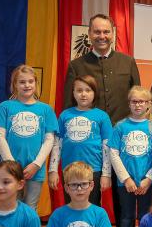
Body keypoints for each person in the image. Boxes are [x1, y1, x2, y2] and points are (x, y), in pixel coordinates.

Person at [63, 13, 141, 227]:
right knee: (89, 196)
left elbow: (136, 98)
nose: (102, 36)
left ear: (113, 33)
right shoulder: (77, 65)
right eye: (97, 32)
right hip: (89, 147)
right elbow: (68, 106)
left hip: (123, 144)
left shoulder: (128, 62)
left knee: (123, 200)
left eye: (106, 32)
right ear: (89, 35)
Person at [0, 65, 58, 210]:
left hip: (35, 168)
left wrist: (36, 164)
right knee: (10, 206)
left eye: (30, 81)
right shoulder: (5, 107)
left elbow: (49, 140)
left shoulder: (46, 109)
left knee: (30, 208)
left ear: (36, 83)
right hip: (10, 168)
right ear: (15, 85)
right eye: (22, 82)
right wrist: (12, 164)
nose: (27, 85)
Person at [109, 86, 152, 227]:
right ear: (129, 103)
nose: (138, 105)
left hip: (147, 182)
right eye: (134, 101)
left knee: (146, 217)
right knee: (126, 217)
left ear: (148, 104)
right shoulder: (120, 126)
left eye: (142, 101)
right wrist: (126, 178)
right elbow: (113, 153)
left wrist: (148, 178)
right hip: (126, 183)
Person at [48, 75, 113, 205]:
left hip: (93, 170)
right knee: (71, 206)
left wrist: (106, 174)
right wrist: (53, 170)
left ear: (95, 93)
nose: (83, 94)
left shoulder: (102, 116)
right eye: (79, 90)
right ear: (73, 93)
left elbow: (107, 147)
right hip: (69, 170)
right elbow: (57, 145)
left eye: (88, 90)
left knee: (92, 206)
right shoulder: (65, 115)